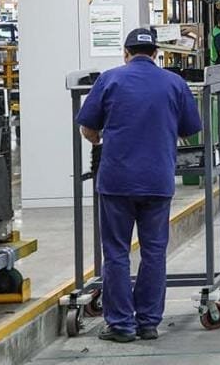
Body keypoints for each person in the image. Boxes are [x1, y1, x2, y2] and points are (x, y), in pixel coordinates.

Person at [75, 28, 202, 343]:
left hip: (117, 181)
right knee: (154, 252)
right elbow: (190, 129)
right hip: (158, 181)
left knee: (116, 252)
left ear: (125, 53)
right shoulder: (174, 82)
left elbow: (88, 128)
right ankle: (148, 323)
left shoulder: (110, 79)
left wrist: (101, 139)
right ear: (156, 54)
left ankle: (121, 325)